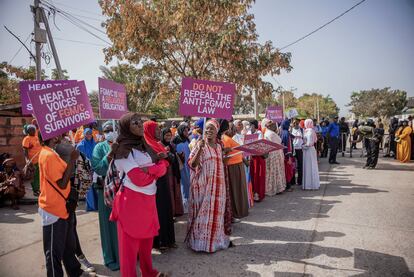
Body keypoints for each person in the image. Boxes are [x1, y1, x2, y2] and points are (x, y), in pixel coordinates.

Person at [109, 113, 168, 277]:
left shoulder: (144, 146)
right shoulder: (122, 150)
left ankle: (148, 272)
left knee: (146, 243)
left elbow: (164, 165)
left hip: (148, 201)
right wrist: (157, 169)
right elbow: (139, 179)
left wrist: (151, 169)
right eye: (135, 123)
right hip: (131, 204)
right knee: (129, 250)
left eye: (140, 122)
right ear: (126, 128)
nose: (140, 125)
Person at [38, 135, 84, 277]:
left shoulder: (51, 152)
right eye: (57, 134)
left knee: (67, 247)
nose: (60, 137)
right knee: (53, 252)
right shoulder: (48, 155)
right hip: (53, 209)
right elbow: (62, 183)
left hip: (61, 207)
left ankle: (75, 272)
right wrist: (72, 160)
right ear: (52, 137)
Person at [186, 119, 230, 253]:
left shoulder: (218, 147)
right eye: (207, 128)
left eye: (212, 129)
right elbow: (192, 165)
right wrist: (199, 149)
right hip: (203, 186)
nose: (209, 131)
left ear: (217, 131)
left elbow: (219, 163)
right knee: (202, 214)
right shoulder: (200, 145)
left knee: (216, 214)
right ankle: (199, 243)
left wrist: (226, 156)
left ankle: (214, 242)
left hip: (218, 187)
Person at [91, 121, 120, 271]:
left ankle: (127, 254)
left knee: (124, 225)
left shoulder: (123, 145)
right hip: (106, 191)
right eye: (107, 130)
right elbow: (98, 167)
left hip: (124, 191)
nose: (110, 132)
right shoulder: (99, 147)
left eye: (113, 129)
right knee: (109, 225)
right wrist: (110, 153)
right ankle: (111, 258)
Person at [143, 120, 176, 250]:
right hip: (154, 183)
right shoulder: (145, 145)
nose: (158, 132)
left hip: (163, 180)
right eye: (156, 130)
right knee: (158, 212)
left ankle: (168, 240)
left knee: (166, 209)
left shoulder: (157, 144)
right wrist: (160, 159)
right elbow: (148, 164)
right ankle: (159, 242)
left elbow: (170, 160)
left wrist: (165, 157)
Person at [222, 122, 249, 220]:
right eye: (231, 128)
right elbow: (226, 155)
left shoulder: (231, 138)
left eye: (234, 128)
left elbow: (238, 151)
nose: (234, 130)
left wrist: (245, 161)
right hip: (232, 167)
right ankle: (236, 212)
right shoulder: (225, 139)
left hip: (238, 165)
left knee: (239, 190)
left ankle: (240, 211)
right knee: (235, 190)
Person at [160, 128, 184, 217]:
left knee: (175, 190)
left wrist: (180, 156)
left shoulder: (172, 145)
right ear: (162, 136)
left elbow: (174, 157)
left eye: (170, 135)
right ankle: (170, 212)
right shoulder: (159, 145)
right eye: (166, 135)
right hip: (166, 172)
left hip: (174, 171)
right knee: (169, 191)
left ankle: (176, 211)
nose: (168, 137)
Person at [76, 128, 98, 212]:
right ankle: (91, 206)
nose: (88, 135)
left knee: (95, 187)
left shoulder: (95, 144)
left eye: (90, 133)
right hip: (85, 169)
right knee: (88, 189)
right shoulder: (80, 146)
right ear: (84, 134)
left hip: (95, 169)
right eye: (87, 133)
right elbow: (78, 159)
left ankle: (97, 205)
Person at [263, 119, 286, 194]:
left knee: (272, 171)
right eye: (272, 125)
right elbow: (279, 141)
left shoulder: (267, 132)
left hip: (272, 153)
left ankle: (274, 186)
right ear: (269, 126)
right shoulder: (271, 134)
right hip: (274, 154)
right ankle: (276, 187)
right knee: (276, 170)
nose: (274, 126)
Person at [173, 124, 191, 213]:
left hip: (188, 166)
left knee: (188, 183)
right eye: (184, 131)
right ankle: (184, 204)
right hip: (181, 167)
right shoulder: (175, 141)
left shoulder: (188, 140)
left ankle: (188, 203)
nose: (187, 132)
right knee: (183, 184)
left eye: (187, 131)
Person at [248, 119, 266, 201]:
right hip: (250, 157)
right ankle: (252, 193)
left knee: (258, 176)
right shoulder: (248, 133)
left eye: (250, 125)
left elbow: (259, 144)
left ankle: (258, 194)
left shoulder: (259, 133)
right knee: (252, 175)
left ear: (254, 125)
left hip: (258, 158)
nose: (249, 127)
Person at [22, 124, 42, 196]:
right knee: (34, 176)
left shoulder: (37, 137)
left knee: (39, 175)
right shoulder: (26, 139)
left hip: (40, 159)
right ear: (27, 131)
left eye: (33, 129)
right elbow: (25, 150)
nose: (33, 131)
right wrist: (27, 160)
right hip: (32, 161)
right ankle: (35, 190)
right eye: (30, 130)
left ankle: (39, 189)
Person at [302, 119, 320, 190]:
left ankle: (309, 185)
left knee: (309, 167)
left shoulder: (309, 132)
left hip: (308, 150)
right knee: (311, 166)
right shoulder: (311, 130)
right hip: (310, 150)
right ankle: (311, 184)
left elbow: (309, 144)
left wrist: (302, 146)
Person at [281, 119, 295, 192]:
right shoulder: (286, 133)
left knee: (285, 171)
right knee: (288, 171)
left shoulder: (282, 132)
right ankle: (288, 186)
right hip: (287, 155)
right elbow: (288, 146)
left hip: (282, 154)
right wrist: (289, 156)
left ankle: (286, 185)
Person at [291, 119, 303, 186]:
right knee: (292, 166)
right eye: (294, 123)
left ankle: (300, 181)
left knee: (300, 165)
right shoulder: (291, 130)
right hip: (293, 149)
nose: (295, 124)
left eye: (297, 122)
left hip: (300, 149)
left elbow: (304, 138)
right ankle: (292, 181)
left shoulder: (301, 130)